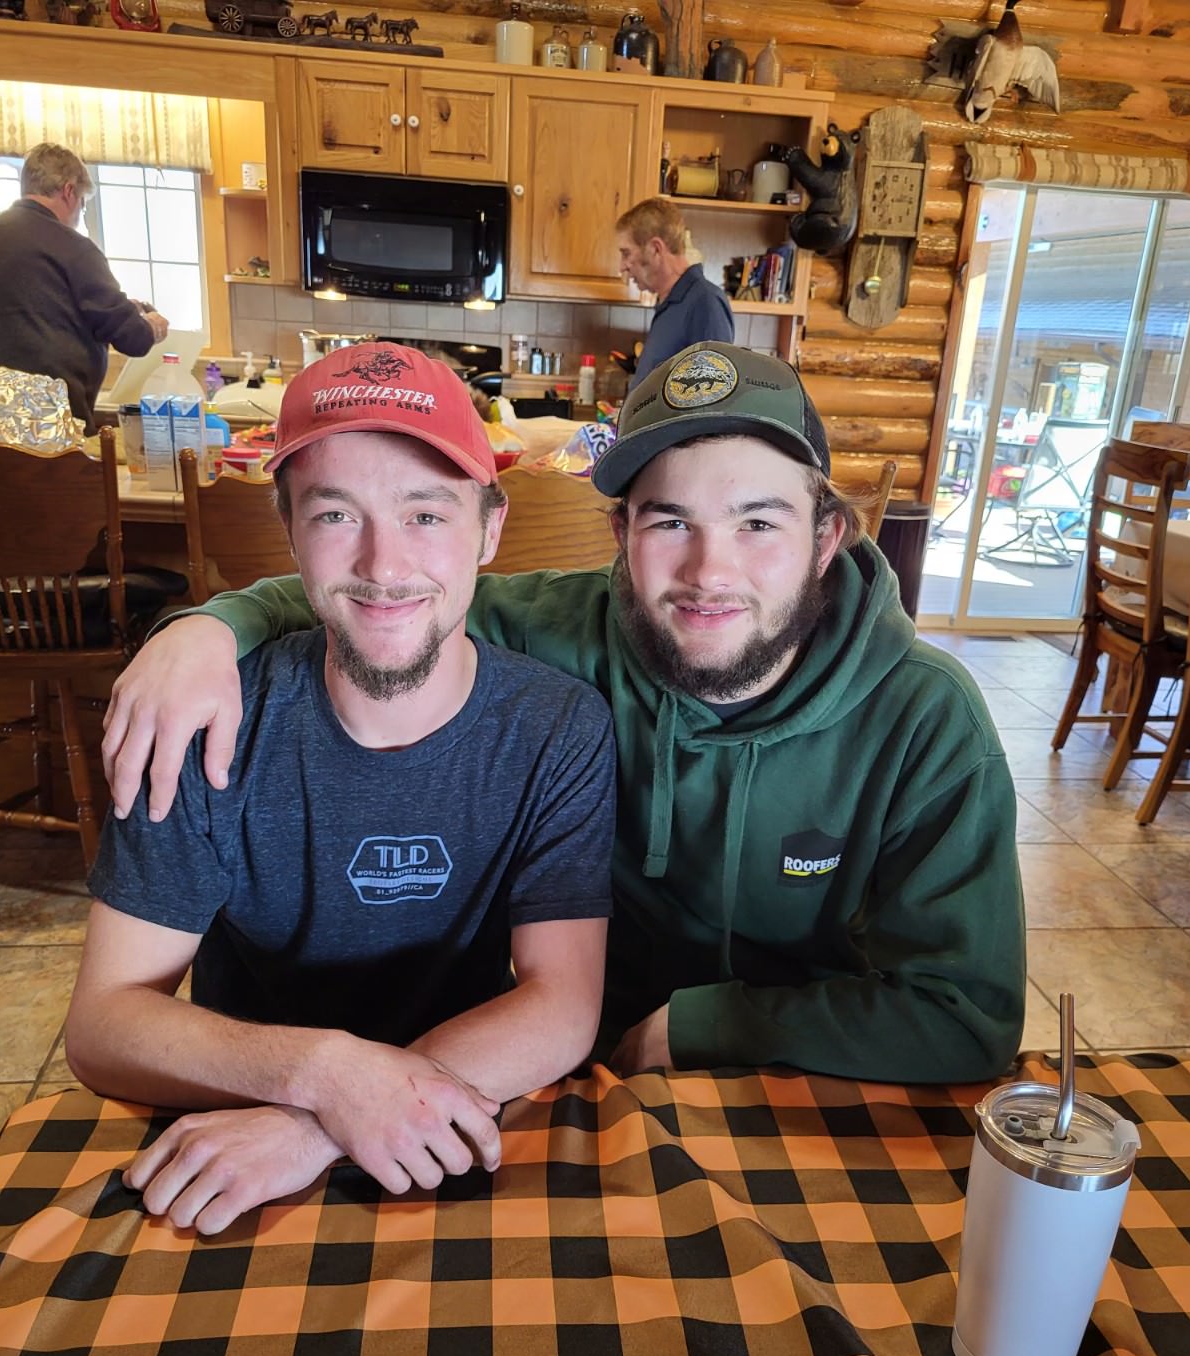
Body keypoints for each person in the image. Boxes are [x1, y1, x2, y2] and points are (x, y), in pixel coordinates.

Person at [101, 341, 1026, 1088]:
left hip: (801, 1074)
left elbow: (966, 1015)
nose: (710, 573)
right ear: (620, 536)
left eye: (758, 524)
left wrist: (707, 1025)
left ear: (827, 538)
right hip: (561, 1072)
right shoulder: (560, 630)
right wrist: (207, 628)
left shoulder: (925, 719)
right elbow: (386, 604)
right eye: (669, 523)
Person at [67, 342, 616, 1235]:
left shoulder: (558, 727)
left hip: (442, 1130)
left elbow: (561, 1002)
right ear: (288, 532)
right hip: (227, 1143)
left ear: (490, 529)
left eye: (426, 514)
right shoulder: (202, 719)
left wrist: (315, 1123)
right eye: (335, 513)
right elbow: (103, 1026)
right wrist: (325, 1077)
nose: (385, 563)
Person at [0, 143, 169, 432]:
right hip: (51, 421)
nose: (80, 214)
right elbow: (131, 338)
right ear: (69, 191)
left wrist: (124, 310)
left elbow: (40, 309)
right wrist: (152, 325)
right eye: (82, 203)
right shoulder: (73, 248)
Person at [616, 197, 735, 385]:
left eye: (626, 253)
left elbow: (712, 399)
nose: (622, 267)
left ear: (655, 249)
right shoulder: (669, 302)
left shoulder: (705, 303)